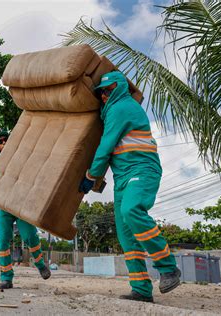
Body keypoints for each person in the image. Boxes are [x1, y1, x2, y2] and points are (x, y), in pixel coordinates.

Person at [79, 71, 181, 303]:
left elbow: (106, 146)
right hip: (122, 177)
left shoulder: (122, 107)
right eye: (101, 93)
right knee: (126, 237)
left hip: (142, 169)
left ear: (120, 87)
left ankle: (168, 267)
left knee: (132, 210)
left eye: (107, 90)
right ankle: (141, 289)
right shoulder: (110, 113)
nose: (104, 95)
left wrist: (91, 175)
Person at [0, 130, 51, 289]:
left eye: (6, 141)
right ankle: (6, 278)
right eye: (0, 142)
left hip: (21, 204)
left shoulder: (21, 160)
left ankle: (41, 265)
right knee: (2, 241)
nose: (3, 144)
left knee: (30, 235)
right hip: (4, 207)